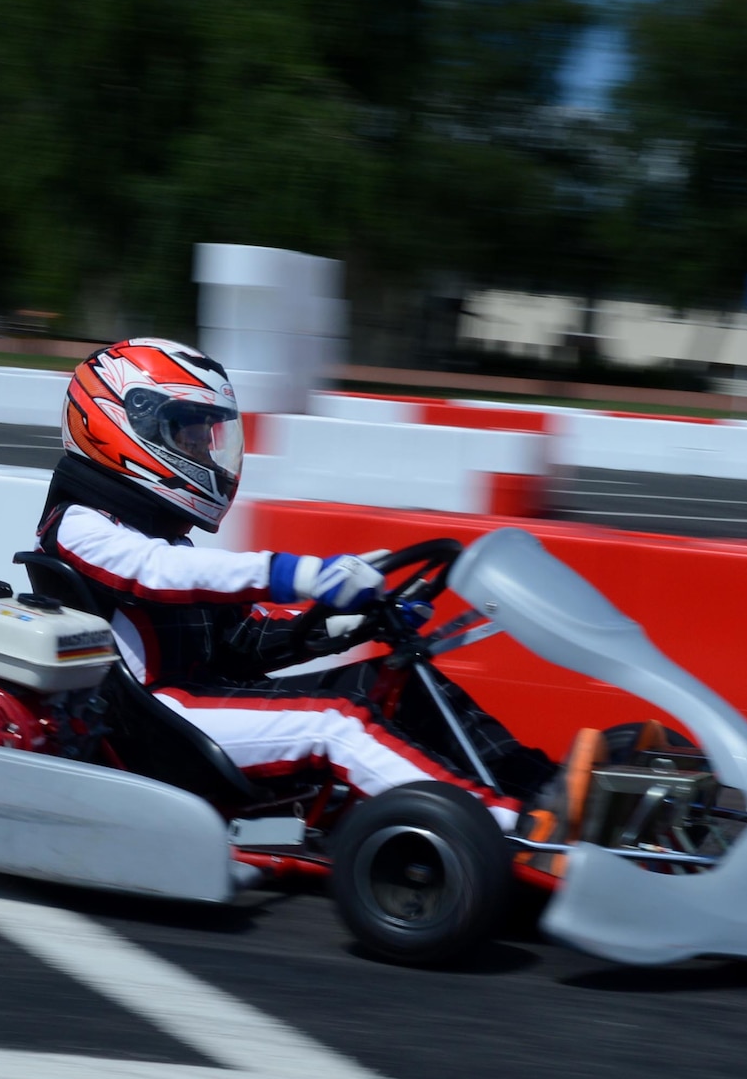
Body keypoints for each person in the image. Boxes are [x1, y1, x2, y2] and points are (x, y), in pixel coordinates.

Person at [32, 337, 606, 836]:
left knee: (392, 681)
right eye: (187, 434)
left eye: (207, 437)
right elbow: (155, 574)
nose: (205, 451)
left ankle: (542, 785)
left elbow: (242, 639)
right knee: (335, 720)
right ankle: (508, 829)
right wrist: (297, 573)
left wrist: (348, 620)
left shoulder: (161, 537)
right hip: (160, 720)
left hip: (202, 702)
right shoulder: (81, 526)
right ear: (121, 423)